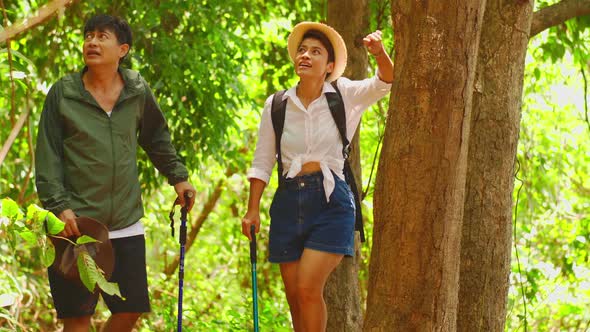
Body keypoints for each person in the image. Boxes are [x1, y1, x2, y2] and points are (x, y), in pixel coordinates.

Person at [35, 14, 196, 332]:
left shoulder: (136, 90)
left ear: (122, 49)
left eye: (101, 36)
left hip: (126, 222)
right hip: (75, 224)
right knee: (77, 317)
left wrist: (178, 177)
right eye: (88, 36)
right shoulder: (63, 94)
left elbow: (156, 138)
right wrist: (59, 206)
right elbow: (48, 155)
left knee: (130, 310)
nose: (91, 42)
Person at [241, 22, 393, 331]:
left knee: (309, 288)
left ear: (330, 66)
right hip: (287, 202)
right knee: (296, 296)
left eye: (315, 52)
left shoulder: (344, 93)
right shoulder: (277, 105)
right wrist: (252, 208)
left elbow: (385, 82)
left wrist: (379, 53)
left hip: (331, 200)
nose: (305, 56)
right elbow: (262, 160)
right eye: (301, 50)